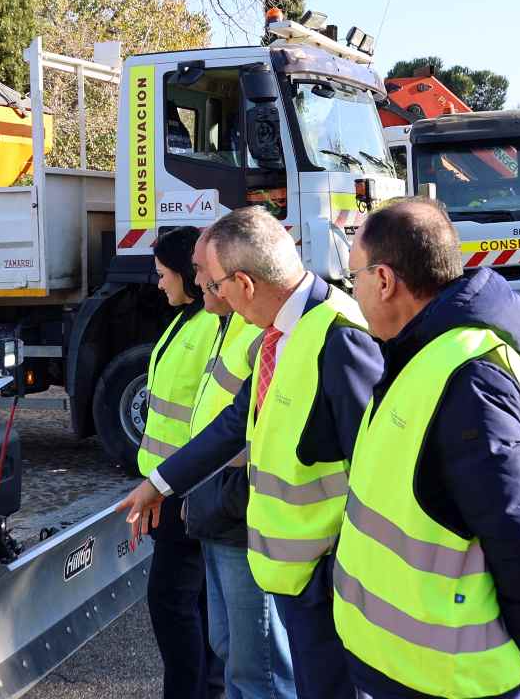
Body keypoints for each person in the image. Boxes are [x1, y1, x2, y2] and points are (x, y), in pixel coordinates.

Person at [334, 198, 520, 699]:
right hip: (405, 663)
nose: (355, 292)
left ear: (385, 280)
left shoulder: (467, 377)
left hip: (443, 677)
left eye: (355, 278)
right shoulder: (425, 352)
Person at [118, 206, 384, 699]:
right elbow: (235, 423)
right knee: (251, 671)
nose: (210, 294)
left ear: (243, 282)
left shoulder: (337, 336)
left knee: (271, 681)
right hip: (278, 552)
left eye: (213, 283)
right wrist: (159, 485)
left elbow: (375, 465)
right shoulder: (278, 335)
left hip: (320, 568)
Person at [185, 230, 297, 699]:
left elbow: (244, 427)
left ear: (241, 281)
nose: (201, 286)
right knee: (233, 651)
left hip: (244, 513)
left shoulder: (269, 329)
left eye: (207, 277)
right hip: (217, 503)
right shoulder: (229, 323)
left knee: (259, 669)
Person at [141, 226, 224, 699]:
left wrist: (166, 484)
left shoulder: (207, 325)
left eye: (164, 274)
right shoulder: (188, 321)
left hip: (182, 489)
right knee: (193, 603)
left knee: (173, 604)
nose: (160, 283)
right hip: (171, 484)